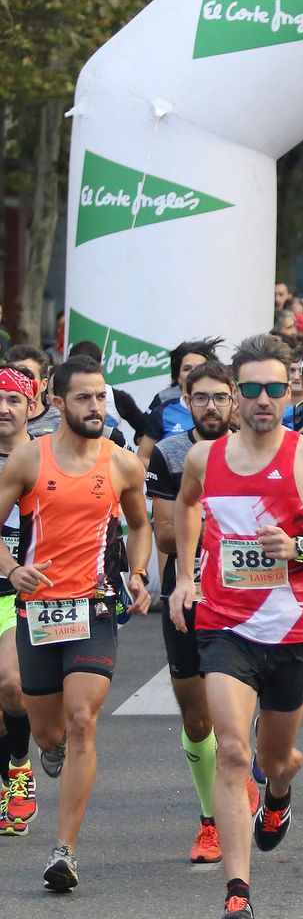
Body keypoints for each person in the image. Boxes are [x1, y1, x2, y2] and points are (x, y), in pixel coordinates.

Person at [167, 336, 303, 919]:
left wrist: (301, 547)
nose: (264, 399)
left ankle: (279, 792)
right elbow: (187, 507)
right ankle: (237, 893)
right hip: (225, 625)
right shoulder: (206, 458)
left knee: (277, 757)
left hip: (293, 631)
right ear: (235, 395)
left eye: (277, 388)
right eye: (251, 389)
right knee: (231, 750)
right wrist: (183, 578)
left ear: (291, 390)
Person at [0, 356, 151, 890]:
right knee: (47, 727)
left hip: (95, 605)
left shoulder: (121, 463)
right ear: (57, 403)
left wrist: (136, 573)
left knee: (84, 719)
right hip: (39, 610)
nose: (96, 406)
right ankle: (48, 746)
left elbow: (139, 526)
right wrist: (14, 569)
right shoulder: (27, 460)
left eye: (102, 396)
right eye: (84, 398)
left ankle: (64, 850)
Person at [148, 360, 261, 862]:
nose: (211, 406)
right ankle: (219, 801)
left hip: (247, 592)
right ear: (185, 401)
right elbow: (167, 534)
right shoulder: (173, 453)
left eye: (219, 397)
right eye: (200, 398)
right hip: (188, 592)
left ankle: (216, 815)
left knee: (234, 714)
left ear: (233, 398)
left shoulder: (254, 447)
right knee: (197, 718)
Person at [0, 369, 36, 835]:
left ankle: (21, 768)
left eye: (13, 398)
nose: (3, 407)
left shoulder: (45, 456)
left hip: (21, 591)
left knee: (10, 683)